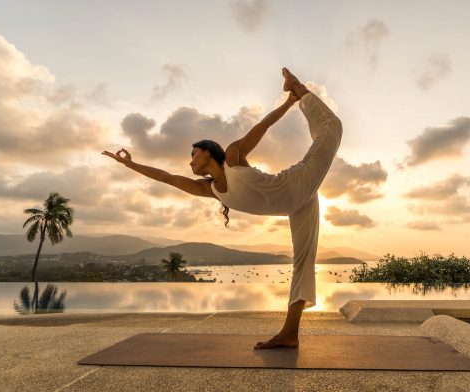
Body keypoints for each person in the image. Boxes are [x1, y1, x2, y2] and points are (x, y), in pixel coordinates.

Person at [102, 67, 343, 349]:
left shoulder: (233, 156)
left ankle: (299, 88)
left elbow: (262, 128)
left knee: (332, 126)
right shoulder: (211, 190)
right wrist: (130, 165)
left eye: (193, 153)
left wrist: (290, 101)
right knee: (302, 263)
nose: (190, 160)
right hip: (298, 205)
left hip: (298, 182)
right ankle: (290, 333)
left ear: (207, 151)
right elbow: (166, 178)